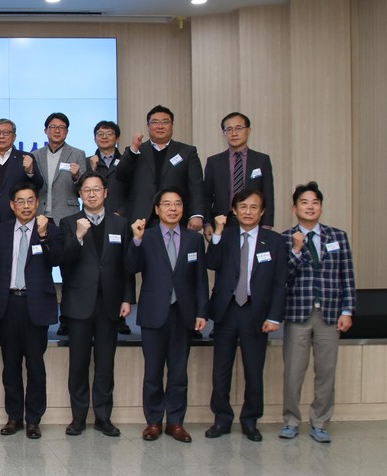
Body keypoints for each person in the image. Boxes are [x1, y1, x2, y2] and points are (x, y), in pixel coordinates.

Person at [126, 187, 208, 443]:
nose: (173, 208)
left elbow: (200, 279)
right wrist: (136, 240)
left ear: (183, 209)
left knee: (178, 372)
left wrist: (201, 312)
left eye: (178, 204)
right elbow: (131, 267)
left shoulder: (193, 239)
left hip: (182, 314)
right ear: (157, 209)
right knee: (152, 373)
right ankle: (152, 422)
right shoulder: (146, 237)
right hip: (153, 313)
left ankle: (175, 422)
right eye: (167, 204)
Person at [204, 189, 286, 442]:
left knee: (253, 370)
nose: (248, 212)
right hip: (227, 311)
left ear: (262, 211)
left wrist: (274, 317)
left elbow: (280, 282)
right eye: (243, 207)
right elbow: (211, 262)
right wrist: (216, 233)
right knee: (221, 371)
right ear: (234, 210)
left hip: (255, 312)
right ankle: (222, 419)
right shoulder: (225, 236)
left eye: (253, 207)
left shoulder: (274, 241)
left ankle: (250, 421)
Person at [279, 181, 355, 443]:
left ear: (320, 207)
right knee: (293, 372)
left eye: (315, 202)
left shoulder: (338, 237)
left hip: (331, 314)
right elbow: (282, 278)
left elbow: (347, 277)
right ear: (294, 207)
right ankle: (290, 420)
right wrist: (297, 251)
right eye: (304, 202)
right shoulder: (285, 239)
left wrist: (348, 310)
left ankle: (320, 422)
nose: (310, 207)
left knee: (326, 371)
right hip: (298, 313)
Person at [60, 172, 134, 437]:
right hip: (79, 303)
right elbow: (62, 261)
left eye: (96, 189)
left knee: (105, 363)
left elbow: (127, 266)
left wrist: (127, 298)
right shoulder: (69, 223)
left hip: (110, 303)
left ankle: (103, 416)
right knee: (78, 363)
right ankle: (78, 417)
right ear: (79, 195)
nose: (91, 194)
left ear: (105, 193)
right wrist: (78, 237)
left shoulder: (120, 224)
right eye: (86, 190)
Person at [0, 182, 62, 439]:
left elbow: (56, 260)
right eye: (20, 201)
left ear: (37, 203)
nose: (26, 206)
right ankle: (13, 418)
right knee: (10, 366)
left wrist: (43, 236)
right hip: (8, 306)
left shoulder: (50, 231)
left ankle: (33, 419)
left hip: (36, 306)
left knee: (35, 366)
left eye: (30, 200)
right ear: (12, 205)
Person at [82, 121, 133, 335]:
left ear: (117, 137)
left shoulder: (128, 160)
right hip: (92, 219)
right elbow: (80, 189)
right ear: (94, 138)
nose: (104, 137)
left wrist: (122, 211)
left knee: (119, 265)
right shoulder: (88, 161)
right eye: (100, 134)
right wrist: (90, 169)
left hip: (119, 219)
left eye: (109, 133)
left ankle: (119, 317)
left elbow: (136, 188)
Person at [118, 106, 204, 231]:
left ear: (172, 125)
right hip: (141, 220)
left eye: (165, 122)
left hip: (175, 218)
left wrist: (196, 214)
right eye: (155, 122)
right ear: (148, 126)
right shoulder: (135, 151)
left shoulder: (187, 152)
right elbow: (120, 176)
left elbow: (196, 185)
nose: (160, 126)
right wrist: (133, 149)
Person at [203, 112, 275, 238]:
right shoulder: (214, 162)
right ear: (224, 133)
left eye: (239, 128)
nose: (234, 133)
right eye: (229, 129)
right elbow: (207, 196)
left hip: (254, 220)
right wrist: (207, 223)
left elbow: (268, 195)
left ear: (248, 130)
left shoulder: (261, 160)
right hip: (223, 221)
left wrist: (267, 225)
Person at [0, 119, 43, 231]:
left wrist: (30, 171)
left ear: (14, 137)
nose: (1, 136)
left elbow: (39, 186)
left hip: (17, 219)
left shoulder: (26, 157)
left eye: (6, 133)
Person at [30, 112, 86, 224]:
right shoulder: (35, 155)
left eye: (61, 127)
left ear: (67, 132)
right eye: (53, 127)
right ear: (46, 131)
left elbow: (83, 190)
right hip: (40, 214)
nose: (57, 131)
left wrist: (76, 177)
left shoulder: (77, 154)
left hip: (67, 213)